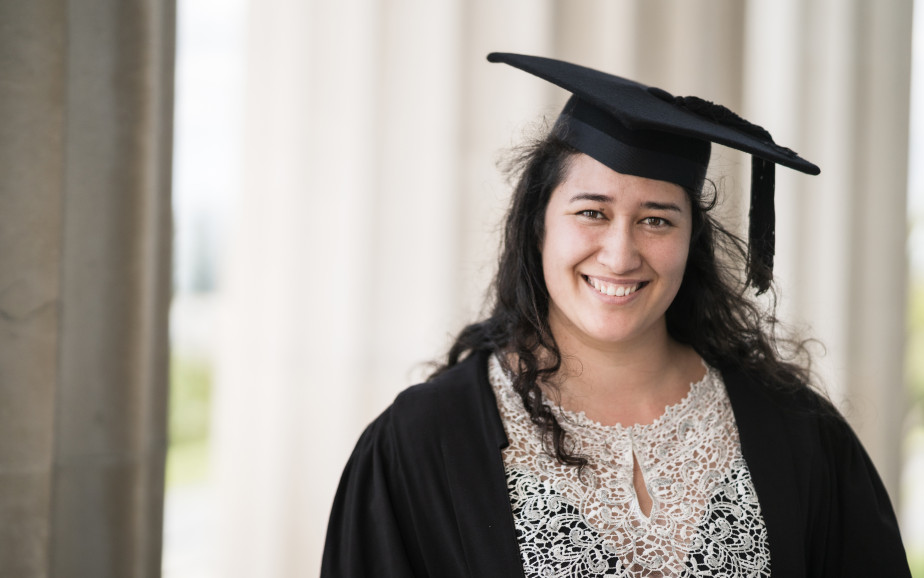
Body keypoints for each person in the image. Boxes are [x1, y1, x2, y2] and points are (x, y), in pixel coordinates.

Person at [320, 53, 911, 577]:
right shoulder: (427, 440)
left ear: (690, 242)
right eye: (592, 213)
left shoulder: (795, 432)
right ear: (538, 225)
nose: (621, 254)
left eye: (657, 219)